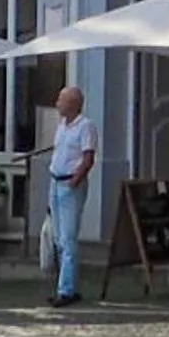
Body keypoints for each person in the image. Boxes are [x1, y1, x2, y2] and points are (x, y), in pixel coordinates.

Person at [44, 86, 98, 308]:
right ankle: (64, 285)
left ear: (74, 103)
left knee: (67, 238)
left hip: (69, 184)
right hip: (55, 182)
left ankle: (66, 290)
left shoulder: (85, 126)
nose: (57, 103)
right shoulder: (62, 126)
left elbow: (88, 157)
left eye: (61, 100)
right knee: (57, 239)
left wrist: (75, 179)